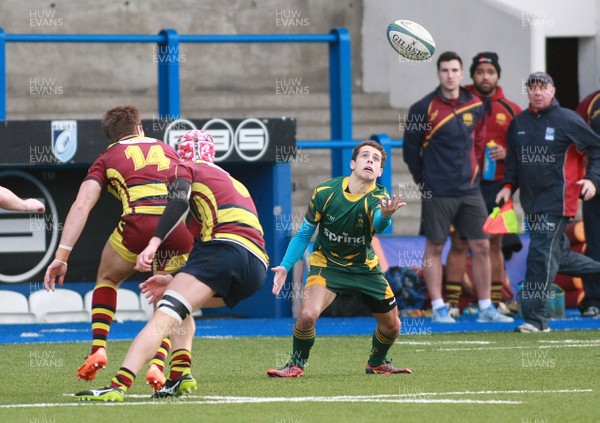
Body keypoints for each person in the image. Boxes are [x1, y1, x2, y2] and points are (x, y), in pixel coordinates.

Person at [74, 133, 269, 401]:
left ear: (180, 154)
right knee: (180, 304)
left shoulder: (185, 167)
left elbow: (178, 202)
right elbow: (205, 243)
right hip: (257, 265)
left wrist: (153, 244)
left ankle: (118, 385)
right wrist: (173, 279)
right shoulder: (232, 180)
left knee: (163, 317)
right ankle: (179, 376)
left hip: (224, 250)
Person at [44, 105, 194, 390]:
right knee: (167, 299)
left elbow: (82, 205)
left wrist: (62, 256)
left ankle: (98, 347)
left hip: (137, 227)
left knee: (108, 278)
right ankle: (157, 363)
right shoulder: (166, 148)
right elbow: (186, 193)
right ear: (139, 129)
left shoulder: (107, 157)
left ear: (110, 137)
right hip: (175, 229)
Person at [267, 140, 412, 378]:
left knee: (393, 326)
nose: (370, 161)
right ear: (353, 163)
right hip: (327, 265)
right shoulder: (325, 192)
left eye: (375, 159)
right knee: (306, 316)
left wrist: (386, 216)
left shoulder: (379, 196)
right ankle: (295, 364)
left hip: (364, 268)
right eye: (365, 156)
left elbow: (379, 223)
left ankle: (376, 363)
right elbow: (304, 233)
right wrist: (285, 265)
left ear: (380, 171)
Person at [402, 51, 512, 324]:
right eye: (445, 70)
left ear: (462, 74)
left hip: (469, 190)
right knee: (436, 246)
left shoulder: (475, 104)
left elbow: (479, 142)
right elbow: (409, 151)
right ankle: (439, 307)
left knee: (483, 246)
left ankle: (486, 306)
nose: (449, 75)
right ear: (438, 73)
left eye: (454, 70)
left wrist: (473, 174)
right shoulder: (422, 107)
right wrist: (424, 183)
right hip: (437, 191)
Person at [497, 72, 600, 332]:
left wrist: (593, 180)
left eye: (543, 87)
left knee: (540, 257)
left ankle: (536, 319)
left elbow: (595, 148)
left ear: (553, 91)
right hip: (531, 203)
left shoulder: (568, 119)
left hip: (559, 201)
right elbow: (513, 162)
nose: (538, 92)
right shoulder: (518, 123)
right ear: (528, 92)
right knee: (560, 258)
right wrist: (508, 187)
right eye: (532, 87)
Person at [444, 52, 522, 317]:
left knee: (495, 244)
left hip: (498, 187)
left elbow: (523, 149)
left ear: (497, 75)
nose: (485, 76)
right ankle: (452, 303)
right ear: (472, 75)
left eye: (490, 72)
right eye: (480, 72)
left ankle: (496, 301)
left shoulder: (512, 110)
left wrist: (507, 153)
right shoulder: (459, 103)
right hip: (464, 187)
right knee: (460, 243)